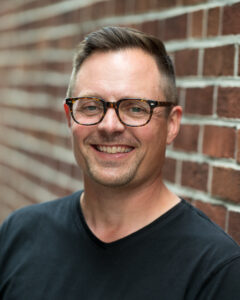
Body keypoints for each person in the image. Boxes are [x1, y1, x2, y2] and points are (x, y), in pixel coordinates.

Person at [0, 27, 239, 300]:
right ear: (70, 118)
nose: (109, 126)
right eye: (91, 106)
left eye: (136, 108)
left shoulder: (216, 271)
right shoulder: (19, 234)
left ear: (172, 125)